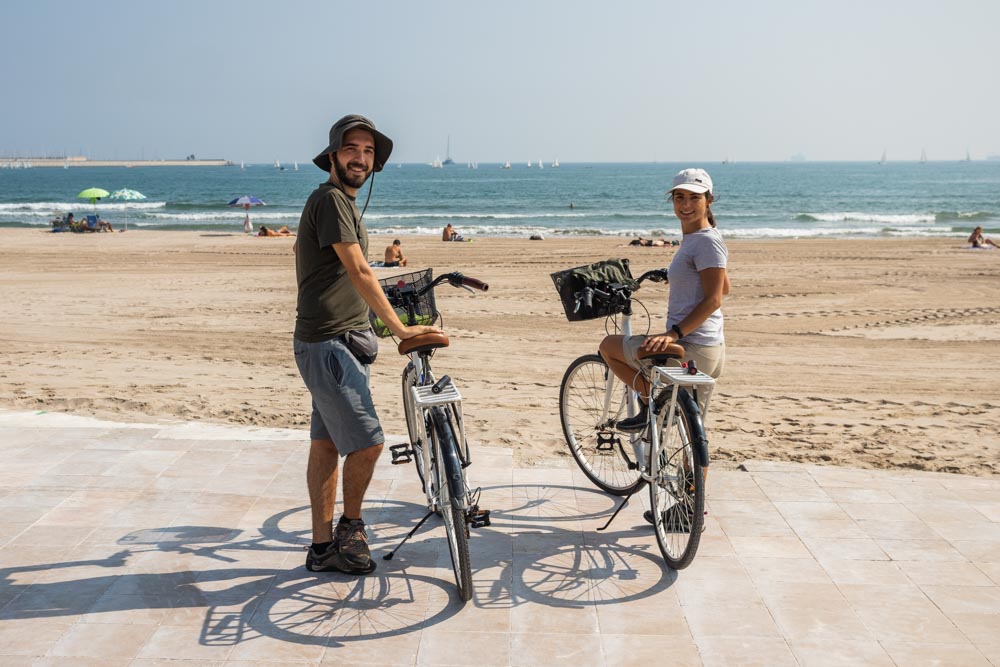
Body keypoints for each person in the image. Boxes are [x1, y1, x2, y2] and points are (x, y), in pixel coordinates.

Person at [294, 114, 438, 575]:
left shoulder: (339, 203)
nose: (361, 158)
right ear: (334, 155)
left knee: (326, 445)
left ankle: (321, 550)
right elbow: (358, 271)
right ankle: (350, 528)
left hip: (333, 340)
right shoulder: (333, 200)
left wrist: (382, 310)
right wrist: (400, 329)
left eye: (369, 152)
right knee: (369, 443)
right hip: (330, 344)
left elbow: (350, 273)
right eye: (352, 149)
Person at [599, 167, 730, 433]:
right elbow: (724, 286)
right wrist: (680, 276)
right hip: (711, 348)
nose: (686, 205)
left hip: (691, 346)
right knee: (693, 435)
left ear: (709, 200)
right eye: (679, 197)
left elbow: (715, 299)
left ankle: (649, 406)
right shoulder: (700, 239)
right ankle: (690, 471)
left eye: (694, 198)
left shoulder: (705, 242)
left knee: (608, 347)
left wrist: (673, 333)